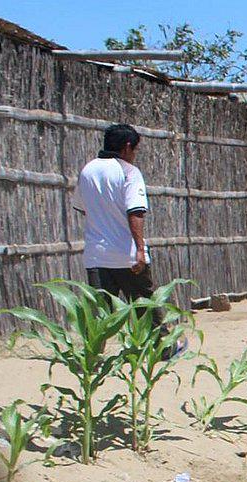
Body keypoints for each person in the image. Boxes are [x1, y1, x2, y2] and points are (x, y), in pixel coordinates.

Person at [76, 123, 177, 352]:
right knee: (146, 306)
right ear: (127, 147)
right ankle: (162, 350)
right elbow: (136, 212)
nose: (134, 155)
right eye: (135, 150)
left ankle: (92, 356)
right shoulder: (129, 172)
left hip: (96, 255)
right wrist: (140, 250)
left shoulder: (87, 170)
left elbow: (83, 207)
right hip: (126, 255)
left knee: (100, 312)